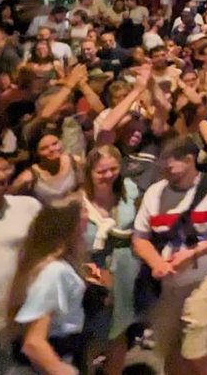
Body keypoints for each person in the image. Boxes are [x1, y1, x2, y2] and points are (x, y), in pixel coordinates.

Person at [131, 135, 207, 375]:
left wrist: (193, 253)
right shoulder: (154, 194)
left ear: (189, 160)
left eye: (170, 166)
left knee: (196, 346)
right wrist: (156, 262)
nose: (165, 172)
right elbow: (140, 238)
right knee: (172, 354)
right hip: (170, 285)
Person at [0, 197, 100, 375]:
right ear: (71, 226)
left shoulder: (57, 267)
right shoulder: (55, 272)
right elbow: (34, 343)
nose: (89, 216)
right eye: (83, 211)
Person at [80, 146, 140, 375]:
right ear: (90, 172)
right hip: (91, 273)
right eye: (101, 171)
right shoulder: (78, 200)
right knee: (90, 334)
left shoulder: (130, 190)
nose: (108, 175)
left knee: (119, 330)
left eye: (113, 169)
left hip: (125, 269)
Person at [0, 149, 42, 361]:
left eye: (4, 170)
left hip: (18, 326)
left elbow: (49, 249)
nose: (2, 176)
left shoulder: (28, 207)